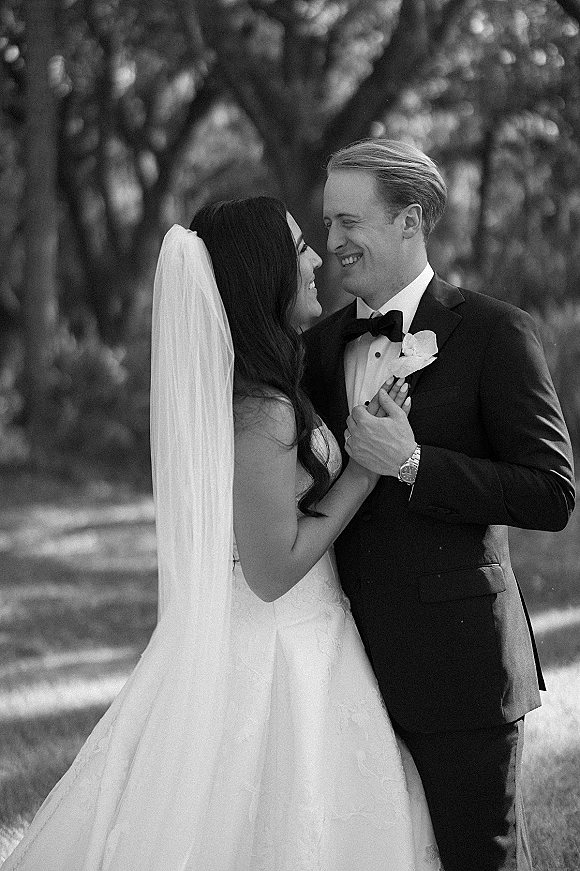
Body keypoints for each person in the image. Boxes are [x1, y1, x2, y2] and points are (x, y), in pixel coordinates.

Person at [2, 197, 444, 871]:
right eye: (300, 249)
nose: (317, 259)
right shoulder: (260, 408)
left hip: (313, 630)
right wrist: (363, 470)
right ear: (263, 270)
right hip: (279, 644)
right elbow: (272, 569)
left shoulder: (265, 385)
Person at [302, 138, 576, 871]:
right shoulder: (317, 349)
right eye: (327, 225)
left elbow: (552, 492)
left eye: (349, 222)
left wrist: (416, 464)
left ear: (410, 222)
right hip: (338, 668)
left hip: (460, 671)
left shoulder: (497, 333)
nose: (333, 243)